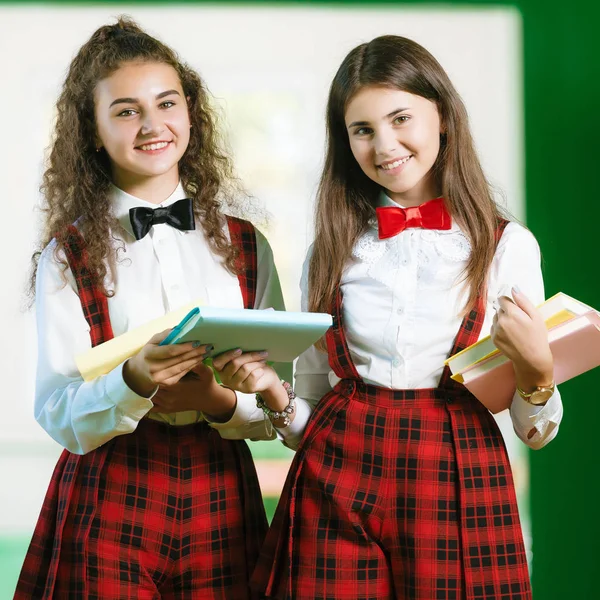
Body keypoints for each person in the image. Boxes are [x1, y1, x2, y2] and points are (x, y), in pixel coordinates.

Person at [213, 35, 563, 599]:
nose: (385, 145)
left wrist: (538, 372)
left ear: (443, 117)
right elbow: (310, 417)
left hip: (456, 475)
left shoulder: (506, 247)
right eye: (363, 130)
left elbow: (536, 432)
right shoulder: (330, 250)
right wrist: (274, 396)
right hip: (335, 475)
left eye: (402, 118)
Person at [15, 16, 284, 599]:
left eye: (167, 103)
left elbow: (279, 405)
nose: (152, 124)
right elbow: (57, 410)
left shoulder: (248, 246)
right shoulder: (68, 255)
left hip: (223, 490)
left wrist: (219, 401)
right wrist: (132, 381)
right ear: (92, 131)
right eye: (126, 110)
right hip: (110, 486)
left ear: (191, 113)